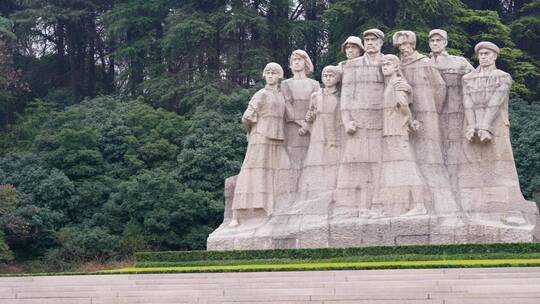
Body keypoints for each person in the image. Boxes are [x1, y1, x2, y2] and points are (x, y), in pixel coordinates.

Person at [459, 42, 536, 225]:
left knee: (503, 167)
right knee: (473, 167)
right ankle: (474, 210)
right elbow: (467, 102)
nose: (484, 56)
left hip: (497, 126)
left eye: (487, 53)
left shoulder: (503, 77)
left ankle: (511, 209)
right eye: (481, 54)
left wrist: (485, 127)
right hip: (473, 127)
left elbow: (496, 102)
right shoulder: (468, 78)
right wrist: (471, 126)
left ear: (494, 56)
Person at [392, 30, 461, 217]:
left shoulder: (424, 63)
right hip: (405, 118)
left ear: (413, 45)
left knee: (430, 159)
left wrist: (433, 110)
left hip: (427, 115)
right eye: (400, 46)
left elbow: (440, 88)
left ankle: (443, 206)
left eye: (407, 45)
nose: (404, 49)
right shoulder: (398, 65)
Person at [229, 62, 291, 227]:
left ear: (280, 76)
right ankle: (236, 214)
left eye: (274, 73)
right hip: (261, 137)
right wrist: (253, 132)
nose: (271, 75)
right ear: (264, 75)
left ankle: (268, 209)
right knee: (251, 171)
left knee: (272, 174)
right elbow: (246, 117)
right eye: (268, 72)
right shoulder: (261, 94)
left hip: (277, 138)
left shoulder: (280, 95)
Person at [375, 54, 430, 216]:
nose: (384, 66)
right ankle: (396, 207)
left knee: (408, 167)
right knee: (396, 168)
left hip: (397, 129)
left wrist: (410, 121)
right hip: (391, 130)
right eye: (383, 64)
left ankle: (419, 205)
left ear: (396, 66)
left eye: (388, 64)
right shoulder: (391, 83)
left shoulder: (398, 83)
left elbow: (403, 105)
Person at [336, 34, 385, 216]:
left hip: (381, 122)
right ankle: (353, 206)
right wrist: (346, 120)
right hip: (358, 123)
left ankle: (378, 203)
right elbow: (346, 95)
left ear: (381, 43)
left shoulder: (388, 61)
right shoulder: (353, 65)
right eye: (368, 41)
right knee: (356, 165)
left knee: (378, 165)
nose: (371, 43)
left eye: (374, 40)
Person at [428, 29, 474, 196]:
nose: (435, 43)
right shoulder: (425, 63)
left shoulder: (459, 62)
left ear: (445, 42)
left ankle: (456, 188)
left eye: (438, 40)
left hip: (456, 112)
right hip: (431, 115)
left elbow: (475, 81)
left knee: (454, 149)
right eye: (432, 41)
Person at [297, 65, 342, 200]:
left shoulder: (341, 95)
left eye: (331, 76)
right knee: (315, 159)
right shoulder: (316, 95)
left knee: (333, 159)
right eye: (325, 76)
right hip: (318, 132)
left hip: (334, 131)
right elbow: (310, 113)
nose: (328, 79)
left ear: (337, 78)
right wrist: (309, 118)